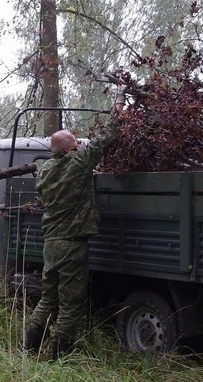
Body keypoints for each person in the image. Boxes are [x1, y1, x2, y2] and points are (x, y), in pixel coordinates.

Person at [23, 86, 126, 360]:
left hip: (52, 244)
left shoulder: (44, 170)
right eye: (76, 143)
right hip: (71, 245)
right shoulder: (78, 162)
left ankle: (29, 349)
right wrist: (120, 101)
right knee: (71, 304)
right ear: (69, 148)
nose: (80, 145)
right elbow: (106, 138)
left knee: (48, 299)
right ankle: (58, 356)